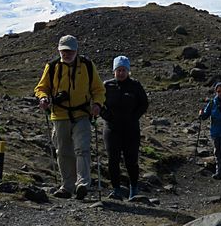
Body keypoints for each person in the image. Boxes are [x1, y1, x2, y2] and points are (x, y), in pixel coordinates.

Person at [34, 35, 105, 199]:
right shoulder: (52, 67)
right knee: (63, 151)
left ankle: (82, 184)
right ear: (59, 51)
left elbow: (98, 89)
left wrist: (98, 104)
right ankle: (67, 186)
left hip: (82, 114)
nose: (66, 54)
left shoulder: (87, 65)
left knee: (82, 149)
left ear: (76, 50)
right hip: (59, 115)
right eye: (63, 51)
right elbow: (41, 87)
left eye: (70, 51)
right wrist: (43, 98)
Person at [100, 56, 149, 200]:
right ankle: (116, 189)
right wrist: (106, 115)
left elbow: (144, 104)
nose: (121, 73)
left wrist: (134, 117)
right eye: (118, 70)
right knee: (112, 159)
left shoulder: (135, 85)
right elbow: (98, 102)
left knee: (131, 160)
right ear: (114, 71)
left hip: (131, 129)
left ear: (128, 71)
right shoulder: (107, 86)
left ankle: (134, 188)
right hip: (111, 129)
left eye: (124, 70)